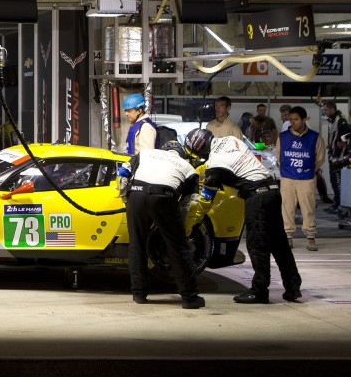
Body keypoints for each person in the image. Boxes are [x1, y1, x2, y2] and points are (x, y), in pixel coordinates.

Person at [184, 128, 302, 304]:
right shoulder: (231, 140)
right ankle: (293, 287)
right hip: (272, 191)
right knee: (279, 243)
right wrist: (193, 170)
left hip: (258, 197)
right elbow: (215, 167)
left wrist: (189, 224)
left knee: (257, 245)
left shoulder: (216, 164)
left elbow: (205, 203)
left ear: (201, 150)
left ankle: (260, 291)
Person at [119, 141, 206, 309]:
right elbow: (190, 203)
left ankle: (139, 293)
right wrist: (184, 230)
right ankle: (189, 297)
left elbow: (123, 172)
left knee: (137, 245)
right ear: (180, 154)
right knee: (178, 248)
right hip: (164, 197)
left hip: (136, 194)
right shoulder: (188, 168)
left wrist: (126, 198)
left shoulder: (144, 154)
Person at [276, 105, 325, 252]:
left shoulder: (315, 137)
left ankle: (310, 237)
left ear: (304, 119)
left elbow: (320, 158)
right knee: (287, 207)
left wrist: (309, 169)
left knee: (308, 207)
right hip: (287, 177)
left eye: (296, 119)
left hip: (307, 177)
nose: (293, 122)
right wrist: (286, 168)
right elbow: (278, 157)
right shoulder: (283, 137)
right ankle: (288, 236)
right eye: (291, 119)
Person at [317, 98, 349, 212]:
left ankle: (340, 205)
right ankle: (337, 203)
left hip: (340, 158)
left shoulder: (341, 121)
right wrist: (332, 145)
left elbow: (348, 135)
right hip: (334, 156)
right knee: (334, 180)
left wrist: (341, 143)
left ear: (331, 109)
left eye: (325, 110)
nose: (324, 112)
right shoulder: (333, 121)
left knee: (338, 182)